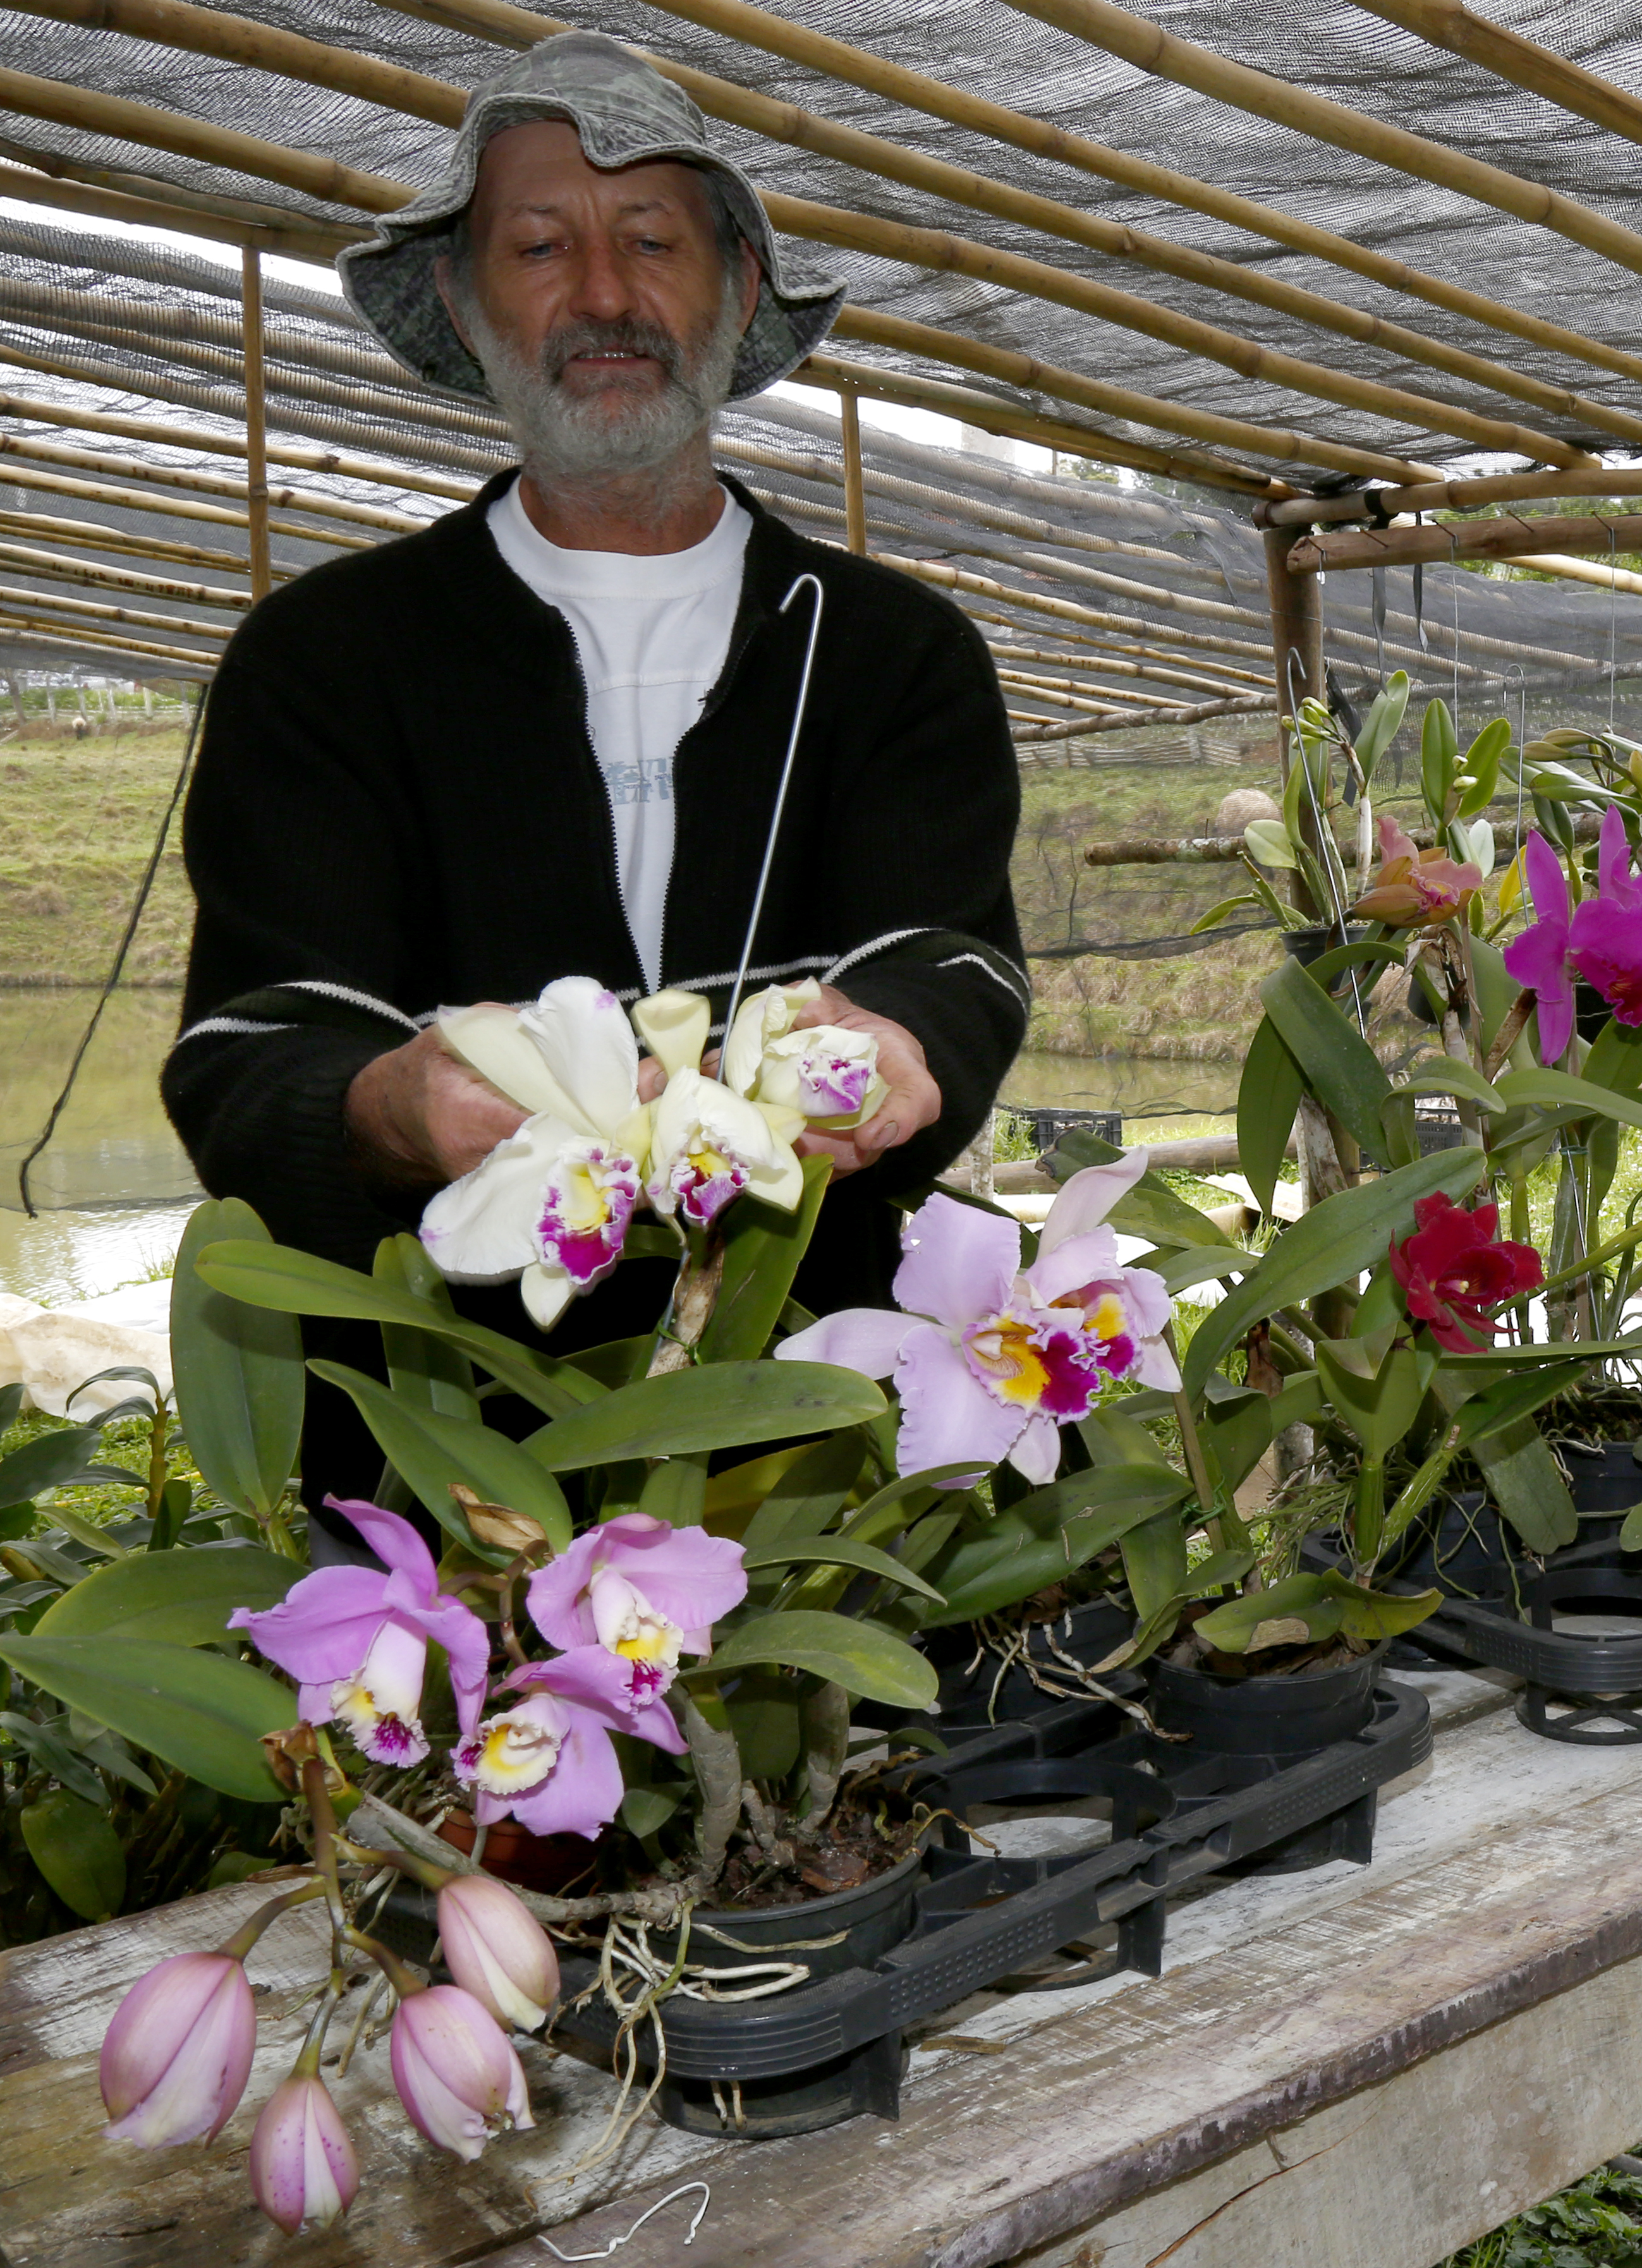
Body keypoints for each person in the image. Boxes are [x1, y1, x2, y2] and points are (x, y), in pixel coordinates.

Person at [162, 32, 1028, 1515]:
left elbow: (952, 952)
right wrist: (383, 1107)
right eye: (541, 244)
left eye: (652, 240)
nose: (607, 296)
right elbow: (246, 1047)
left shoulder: (888, 651)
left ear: (736, 289)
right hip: (456, 1459)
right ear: (463, 297)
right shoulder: (326, 660)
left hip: (832, 1430)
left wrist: (897, 1048)